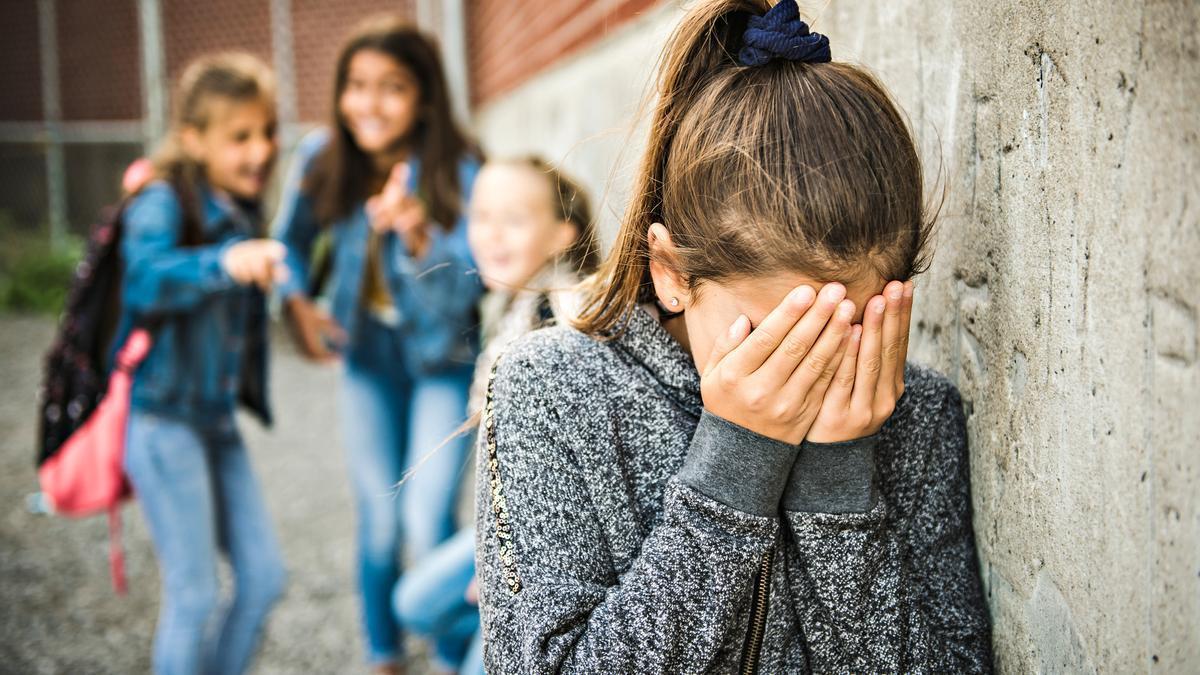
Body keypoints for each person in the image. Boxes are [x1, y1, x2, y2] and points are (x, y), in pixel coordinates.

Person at [475, 1, 994, 672]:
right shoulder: (550, 390)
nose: (810, 370)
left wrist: (839, 483)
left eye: (847, 328)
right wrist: (734, 468)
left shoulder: (916, 415)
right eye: (776, 337)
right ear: (671, 274)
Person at [272, 15, 482, 673]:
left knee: (426, 517)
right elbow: (290, 246)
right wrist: (297, 304)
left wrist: (419, 235)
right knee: (381, 519)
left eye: (392, 87)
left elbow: (467, 293)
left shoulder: (460, 168)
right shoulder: (321, 158)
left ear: (424, 97)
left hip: (444, 360)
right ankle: (383, 650)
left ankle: (455, 653)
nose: (370, 102)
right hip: (368, 360)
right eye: (356, 85)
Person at [393, 156, 599, 675]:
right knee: (413, 603)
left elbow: (566, 469)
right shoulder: (507, 308)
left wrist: (502, 568)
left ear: (561, 236)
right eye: (480, 216)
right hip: (506, 525)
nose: (492, 234)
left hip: (549, 544)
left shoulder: (562, 316)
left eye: (514, 219)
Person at [119, 52, 288, 675]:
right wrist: (223, 263)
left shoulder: (241, 208)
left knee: (265, 578)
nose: (260, 150)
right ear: (193, 138)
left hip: (215, 422)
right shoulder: (162, 200)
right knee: (193, 595)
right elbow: (143, 280)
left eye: (266, 132)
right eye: (239, 136)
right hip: (163, 423)